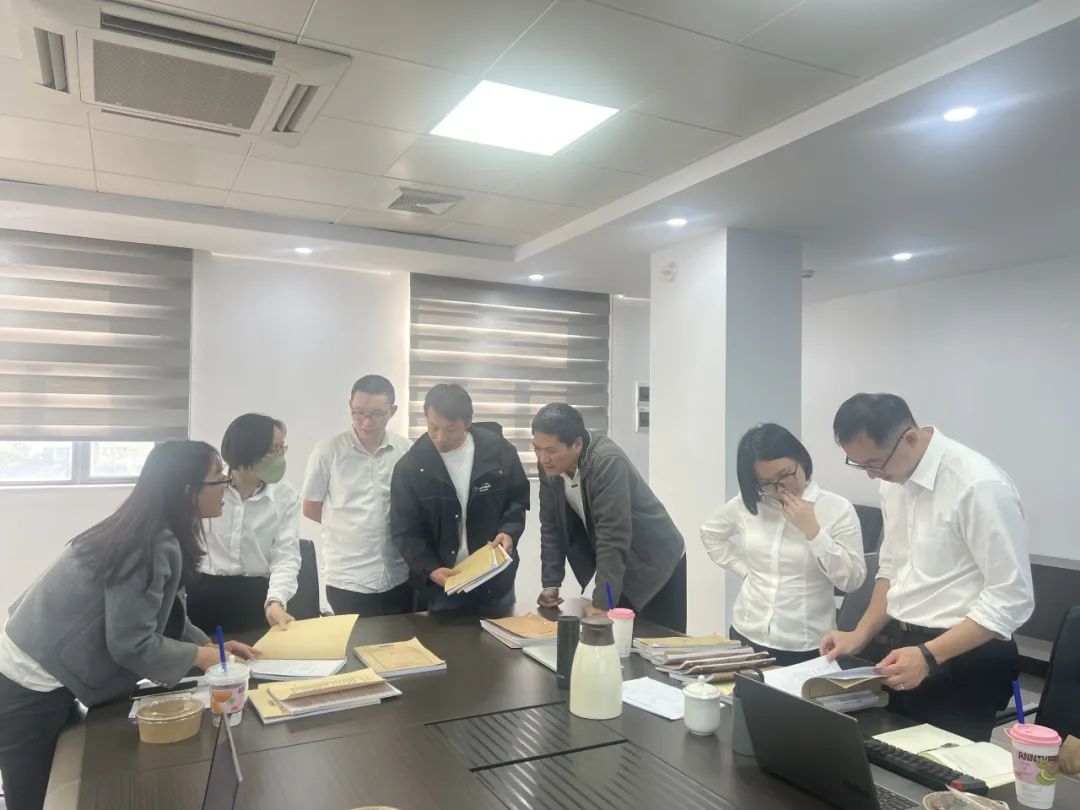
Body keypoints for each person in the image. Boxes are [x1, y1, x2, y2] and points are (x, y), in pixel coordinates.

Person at [0, 441, 259, 810]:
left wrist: (209, 648)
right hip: (28, 684)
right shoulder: (147, 544)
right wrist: (200, 657)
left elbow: (165, 614)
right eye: (218, 479)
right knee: (37, 798)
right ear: (188, 491)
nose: (226, 488)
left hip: (47, 673)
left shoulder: (156, 530)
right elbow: (131, 642)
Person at [820, 393, 1034, 741]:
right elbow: (892, 567)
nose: (873, 476)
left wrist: (929, 656)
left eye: (875, 463)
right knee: (888, 755)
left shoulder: (978, 485)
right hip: (904, 647)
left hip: (965, 658)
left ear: (909, 437)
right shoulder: (894, 481)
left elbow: (1012, 598)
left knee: (944, 769)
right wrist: (859, 634)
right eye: (861, 466)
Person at [700, 423, 866, 666]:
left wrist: (814, 532)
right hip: (747, 631)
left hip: (807, 644)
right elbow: (711, 534)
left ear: (802, 461)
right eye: (767, 483)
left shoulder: (837, 509)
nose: (781, 489)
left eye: (786, 475)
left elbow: (852, 580)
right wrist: (746, 571)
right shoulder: (748, 504)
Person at [532, 403, 687, 632]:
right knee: (617, 639)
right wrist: (551, 583)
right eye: (537, 448)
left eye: (551, 450)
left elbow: (612, 537)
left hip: (657, 562)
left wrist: (602, 604)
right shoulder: (550, 466)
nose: (543, 458)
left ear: (577, 444)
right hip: (619, 565)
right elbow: (551, 525)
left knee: (655, 643)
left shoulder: (607, 462)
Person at [391, 384, 529, 612]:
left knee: (500, 636)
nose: (440, 437)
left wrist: (509, 532)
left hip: (495, 581)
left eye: (450, 429)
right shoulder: (411, 467)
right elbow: (405, 530)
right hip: (444, 586)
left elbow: (517, 500)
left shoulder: (499, 451)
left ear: (467, 421)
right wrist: (430, 569)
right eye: (433, 427)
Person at [302, 375, 413, 617]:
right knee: (356, 640)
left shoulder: (405, 450)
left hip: (398, 574)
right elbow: (310, 507)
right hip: (348, 578)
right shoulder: (327, 452)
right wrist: (350, 527)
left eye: (377, 414)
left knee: (401, 640)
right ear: (350, 405)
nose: (366, 422)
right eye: (358, 412)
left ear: (392, 411)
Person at [187, 413, 301, 634]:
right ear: (247, 451)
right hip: (204, 591)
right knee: (206, 653)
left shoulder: (286, 497)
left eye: (282, 448)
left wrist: (276, 600)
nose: (281, 457)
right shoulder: (208, 489)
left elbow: (286, 556)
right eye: (274, 449)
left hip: (257, 596)